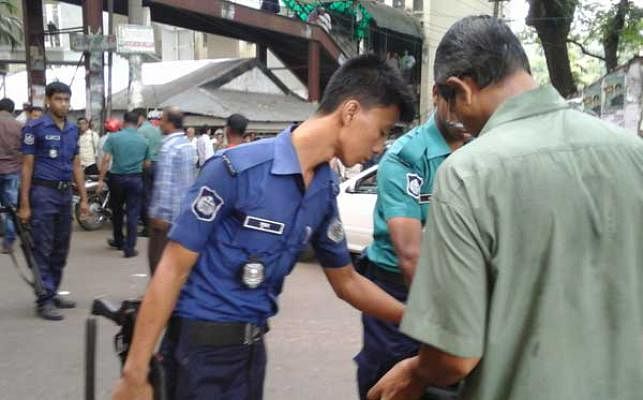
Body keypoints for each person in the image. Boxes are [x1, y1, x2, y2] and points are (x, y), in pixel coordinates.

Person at [368, 16, 643, 400]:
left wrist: (414, 372)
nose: (462, 127)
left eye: (452, 109)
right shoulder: (632, 153)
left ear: (460, 89)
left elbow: (454, 357)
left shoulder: (468, 173)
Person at [112, 54, 415, 400]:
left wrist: (414, 318)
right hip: (198, 354)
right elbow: (172, 268)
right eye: (381, 131)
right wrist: (135, 373)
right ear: (349, 112)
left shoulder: (323, 189)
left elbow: (346, 281)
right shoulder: (235, 169)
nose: (379, 147)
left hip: (251, 353)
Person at [355, 85, 468, 399]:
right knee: (391, 380)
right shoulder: (407, 156)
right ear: (436, 94)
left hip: (452, 287)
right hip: (400, 287)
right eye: (453, 99)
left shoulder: (483, 150)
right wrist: (443, 328)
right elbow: (410, 256)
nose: (462, 110)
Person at [19, 82, 89, 321]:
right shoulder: (34, 128)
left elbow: (76, 165)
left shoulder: (72, 130)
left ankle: (52, 289)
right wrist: (25, 203)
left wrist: (84, 200)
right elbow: (27, 166)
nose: (64, 104)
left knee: (61, 248)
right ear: (48, 100)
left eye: (67, 100)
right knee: (43, 246)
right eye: (59, 99)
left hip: (64, 195)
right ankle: (44, 299)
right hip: (42, 194)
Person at [148, 107, 196, 274]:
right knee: (174, 262)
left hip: (167, 217)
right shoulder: (187, 145)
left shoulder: (169, 147)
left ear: (169, 123)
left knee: (157, 260)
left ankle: (159, 297)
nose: (159, 123)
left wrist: (160, 215)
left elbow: (165, 184)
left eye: (161, 120)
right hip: (182, 214)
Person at [98, 111, 151, 258]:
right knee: (133, 213)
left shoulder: (114, 137)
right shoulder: (144, 140)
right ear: (138, 123)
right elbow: (147, 164)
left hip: (117, 179)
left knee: (117, 211)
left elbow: (106, 159)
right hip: (135, 179)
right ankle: (129, 248)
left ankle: (119, 240)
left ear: (124, 121)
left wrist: (101, 180)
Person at [134, 108, 162, 237]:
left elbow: (139, 150)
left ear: (140, 117)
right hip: (158, 165)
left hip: (146, 165)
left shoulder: (140, 131)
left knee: (145, 196)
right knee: (155, 196)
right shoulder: (157, 130)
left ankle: (147, 227)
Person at [0, 98, 23, 254]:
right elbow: (24, 151)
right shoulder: (19, 126)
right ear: (13, 110)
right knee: (11, 208)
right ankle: (8, 242)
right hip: (12, 171)